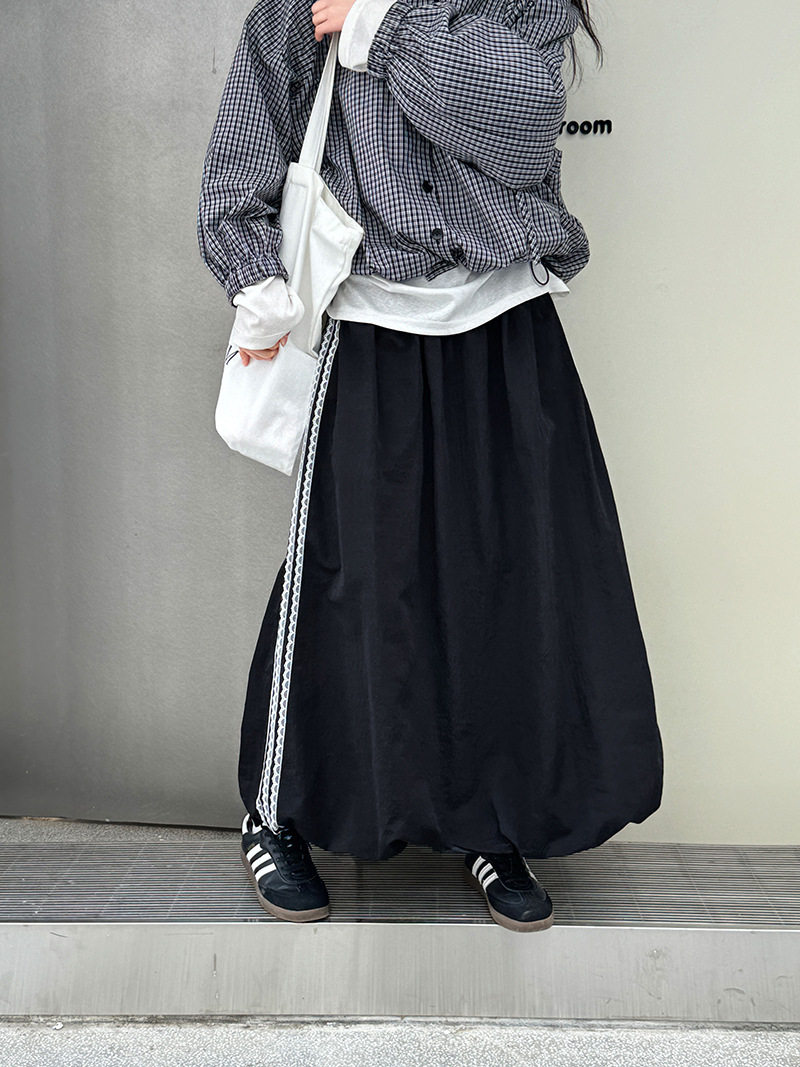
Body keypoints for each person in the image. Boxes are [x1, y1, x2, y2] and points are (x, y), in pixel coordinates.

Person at [196, 0, 664, 934]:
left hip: (505, 319)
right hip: (366, 322)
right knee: (349, 581)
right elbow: (241, 156)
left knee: (510, 582)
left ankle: (494, 820)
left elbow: (521, 121)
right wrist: (256, 284)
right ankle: (278, 812)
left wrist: (382, 27)